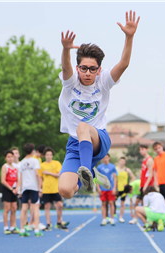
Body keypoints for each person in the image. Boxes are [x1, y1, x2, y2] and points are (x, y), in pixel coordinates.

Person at [58, 11, 140, 199]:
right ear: (78, 68)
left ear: (99, 70)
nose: (88, 73)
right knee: (65, 191)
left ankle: (86, 170)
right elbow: (65, 68)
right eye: (84, 68)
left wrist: (129, 37)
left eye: (92, 69)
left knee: (83, 127)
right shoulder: (71, 82)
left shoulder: (103, 81)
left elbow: (124, 64)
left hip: (99, 138)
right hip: (75, 145)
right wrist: (66, 50)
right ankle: (90, 174)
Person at [40, 147, 69, 231]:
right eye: (47, 155)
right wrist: (40, 188)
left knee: (60, 205)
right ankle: (48, 224)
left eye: (50, 155)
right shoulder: (42, 165)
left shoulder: (56, 163)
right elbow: (40, 178)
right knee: (47, 206)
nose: (49, 156)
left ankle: (59, 222)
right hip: (46, 189)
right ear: (45, 156)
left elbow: (59, 174)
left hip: (55, 188)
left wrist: (48, 172)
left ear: (52, 156)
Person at [19, 143, 43, 237]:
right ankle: (36, 229)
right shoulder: (35, 161)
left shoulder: (22, 162)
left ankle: (22, 229)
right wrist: (39, 187)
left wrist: (20, 189)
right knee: (35, 208)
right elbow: (37, 174)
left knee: (24, 208)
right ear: (33, 151)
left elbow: (20, 177)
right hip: (33, 187)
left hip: (25, 187)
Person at [0, 150, 20, 234]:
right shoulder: (5, 167)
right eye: (8, 157)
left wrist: (16, 189)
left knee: (14, 208)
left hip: (14, 190)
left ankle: (12, 226)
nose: (10, 158)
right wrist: (11, 189)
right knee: (7, 209)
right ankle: (5, 227)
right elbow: (3, 180)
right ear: (6, 158)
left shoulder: (16, 167)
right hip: (7, 189)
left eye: (11, 156)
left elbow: (18, 179)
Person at [96, 154, 117, 226]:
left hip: (110, 188)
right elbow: (97, 178)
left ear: (109, 158)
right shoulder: (99, 167)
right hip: (102, 188)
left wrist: (114, 188)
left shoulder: (112, 166)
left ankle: (112, 219)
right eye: (104, 157)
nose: (105, 159)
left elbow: (115, 178)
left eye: (106, 157)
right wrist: (98, 188)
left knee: (111, 203)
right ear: (102, 159)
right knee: (103, 203)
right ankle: (104, 219)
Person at [116, 157, 135, 223]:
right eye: (121, 161)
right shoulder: (115, 169)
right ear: (119, 161)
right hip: (116, 189)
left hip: (124, 190)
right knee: (113, 203)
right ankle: (113, 216)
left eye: (123, 161)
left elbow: (133, 177)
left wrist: (128, 185)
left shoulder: (127, 170)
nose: (122, 162)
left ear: (125, 162)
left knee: (122, 203)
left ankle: (121, 217)